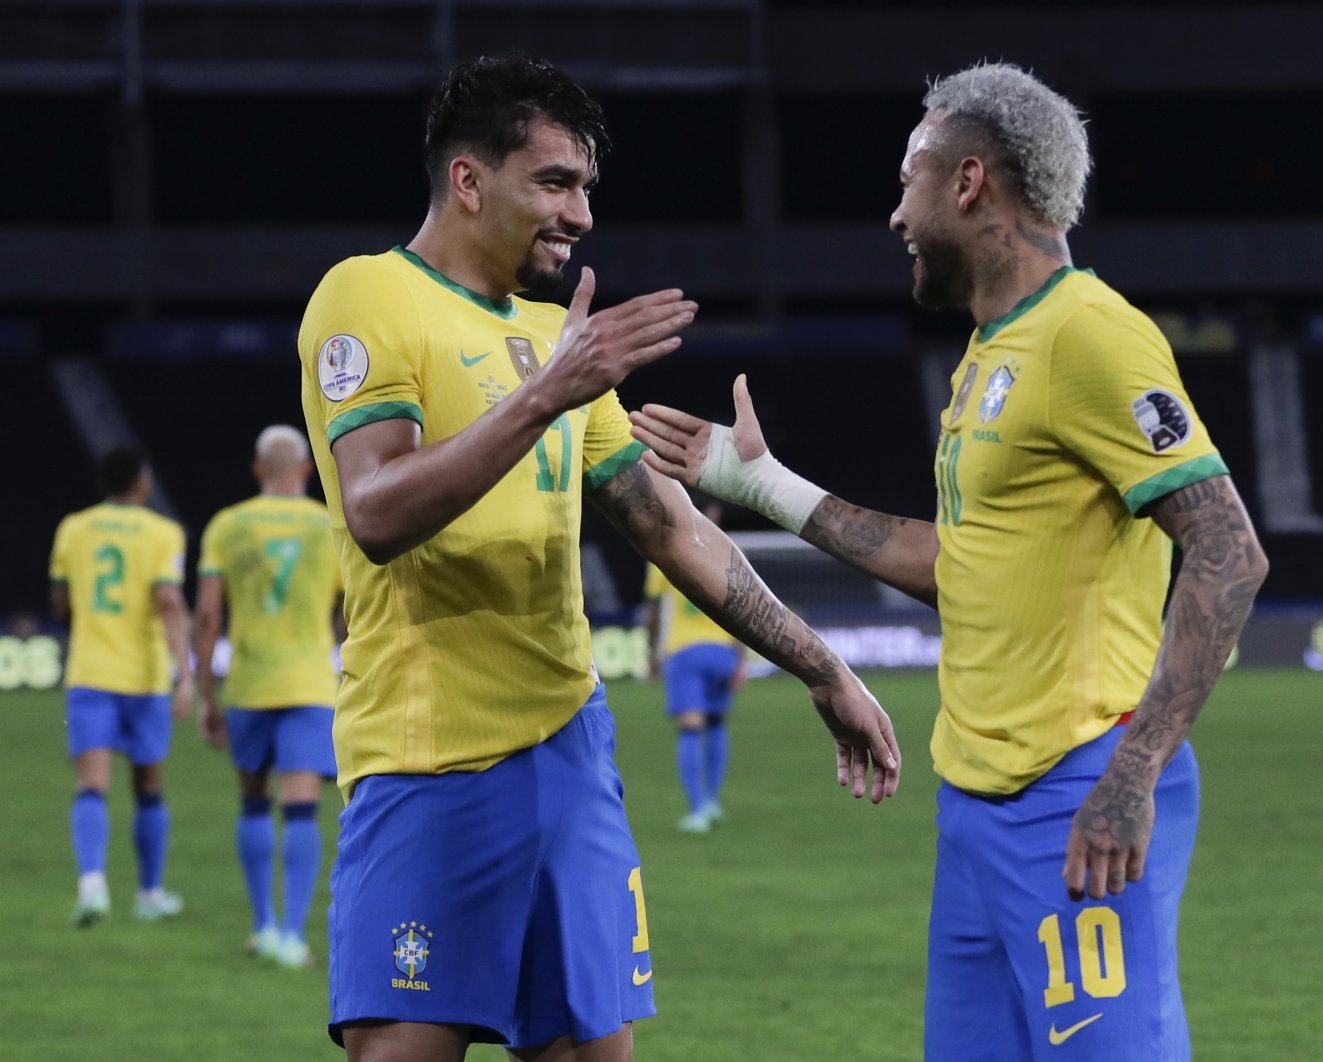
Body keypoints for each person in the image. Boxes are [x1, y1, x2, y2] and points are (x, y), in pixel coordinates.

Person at [631, 62, 1269, 1061]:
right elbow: (956, 562)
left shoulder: (1089, 335)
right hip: (976, 807)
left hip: (1076, 789)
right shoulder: (988, 358)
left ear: (968, 182)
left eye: (906, 180)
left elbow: (1229, 551)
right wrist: (764, 485)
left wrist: (1130, 772)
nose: (895, 216)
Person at [297, 53, 899, 1062]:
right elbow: (376, 510)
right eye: (554, 182)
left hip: (569, 757)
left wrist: (823, 665)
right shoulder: (369, 298)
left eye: (585, 189)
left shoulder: (554, 334)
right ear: (468, 179)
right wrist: (547, 393)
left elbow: (669, 529)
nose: (579, 214)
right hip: (427, 763)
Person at [192, 425, 343, 968]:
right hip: (309, 682)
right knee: (301, 810)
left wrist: (206, 692)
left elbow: (208, 614)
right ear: (305, 470)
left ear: (257, 471)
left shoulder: (228, 526)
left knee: (253, 800)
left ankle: (261, 925)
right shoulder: (330, 519)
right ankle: (292, 934)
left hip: (250, 683)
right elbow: (355, 605)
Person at [48, 447, 192, 926]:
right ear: (141, 483)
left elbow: (62, 603)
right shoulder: (163, 533)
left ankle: (92, 884)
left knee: (91, 785)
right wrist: (185, 673)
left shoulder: (74, 528)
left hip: (90, 672)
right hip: (145, 678)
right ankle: (149, 894)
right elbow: (169, 600)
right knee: (148, 786)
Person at [642, 499, 746, 832]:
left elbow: (654, 614)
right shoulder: (728, 552)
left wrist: (651, 653)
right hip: (722, 651)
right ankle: (713, 802)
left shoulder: (664, 551)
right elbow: (743, 613)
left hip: (684, 652)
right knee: (716, 723)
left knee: (690, 728)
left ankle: (698, 809)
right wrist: (741, 660)